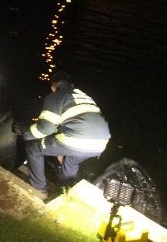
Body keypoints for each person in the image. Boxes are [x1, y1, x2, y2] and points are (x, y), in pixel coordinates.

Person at [13, 71, 111, 199]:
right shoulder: (85, 96)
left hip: (77, 139)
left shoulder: (55, 96)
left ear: (53, 87)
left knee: (33, 148)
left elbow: (45, 129)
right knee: (70, 162)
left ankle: (39, 190)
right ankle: (67, 191)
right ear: (71, 85)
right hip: (100, 143)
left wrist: (25, 132)